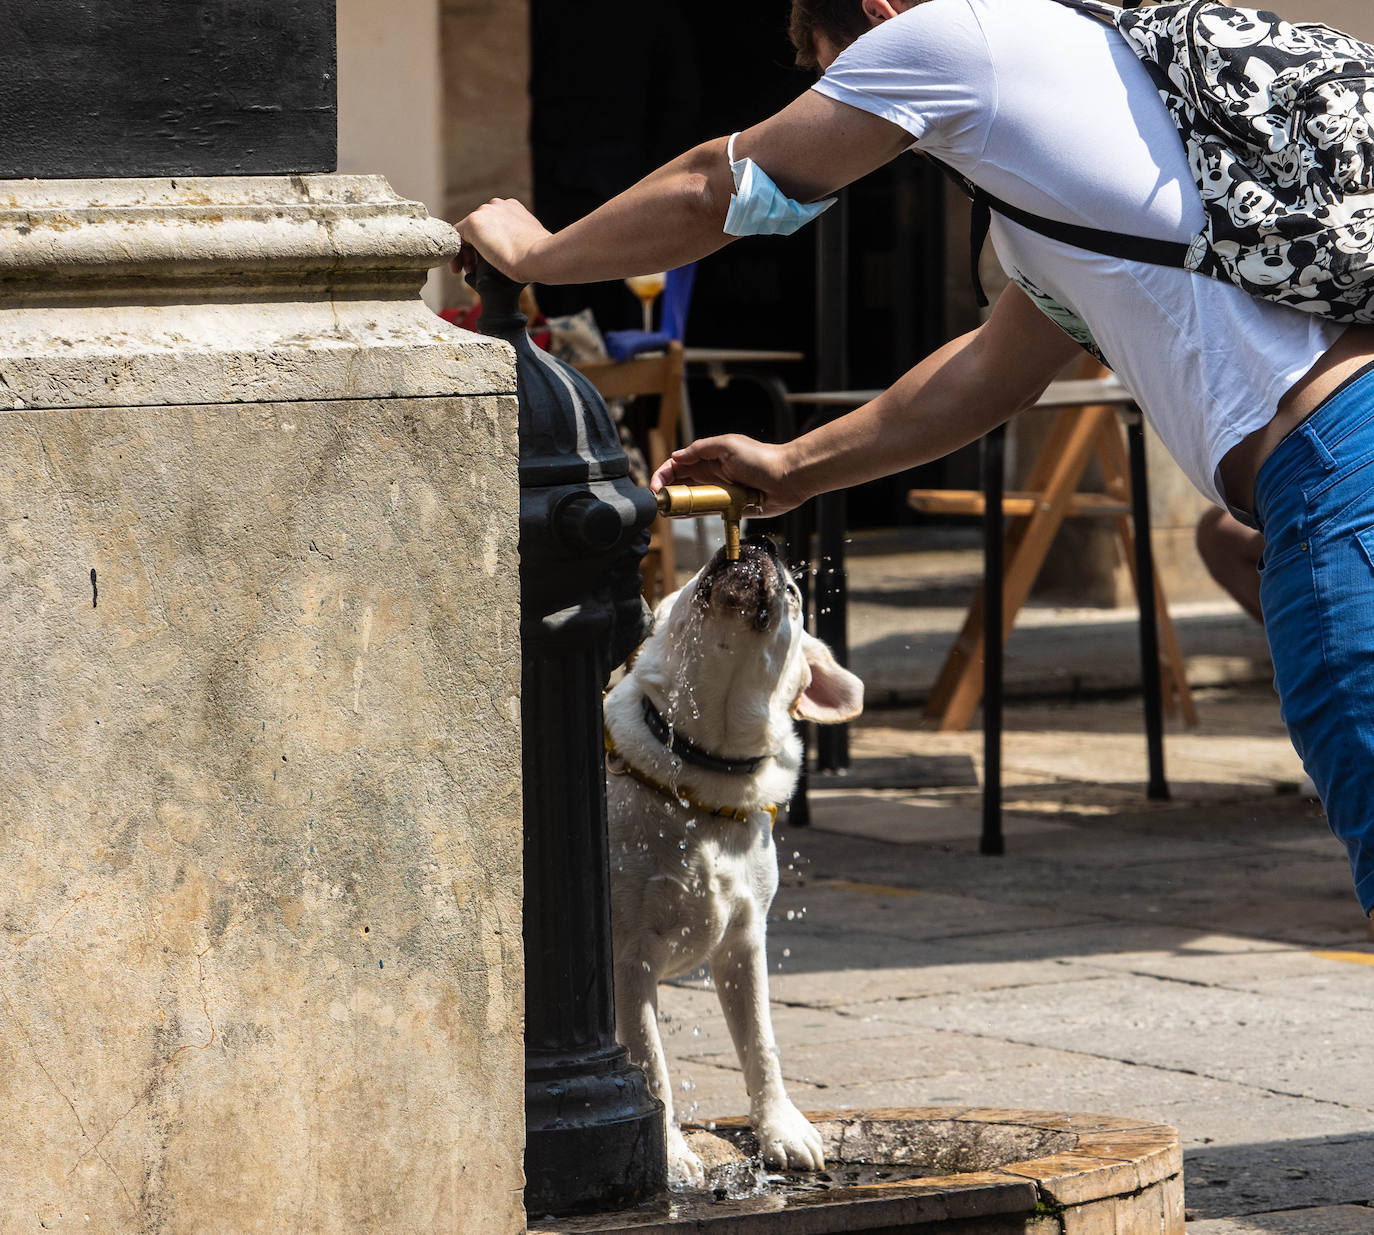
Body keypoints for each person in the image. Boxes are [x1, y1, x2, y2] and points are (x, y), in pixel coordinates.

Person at [456, 0, 1374, 925]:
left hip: (1342, 471)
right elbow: (987, 372)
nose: (854, 122)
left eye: (837, 80)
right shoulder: (1069, 140)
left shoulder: (952, 36)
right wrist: (799, 464)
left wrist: (540, 254)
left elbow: (721, 186)